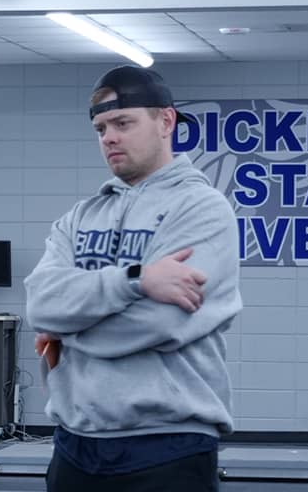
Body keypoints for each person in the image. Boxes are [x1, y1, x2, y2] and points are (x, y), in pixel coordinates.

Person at [24, 65, 243, 492]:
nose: (109, 137)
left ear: (166, 121)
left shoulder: (201, 209)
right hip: (74, 443)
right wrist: (136, 281)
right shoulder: (81, 216)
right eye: (101, 127)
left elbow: (161, 322)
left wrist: (67, 331)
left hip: (168, 445)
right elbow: (41, 304)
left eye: (123, 123)